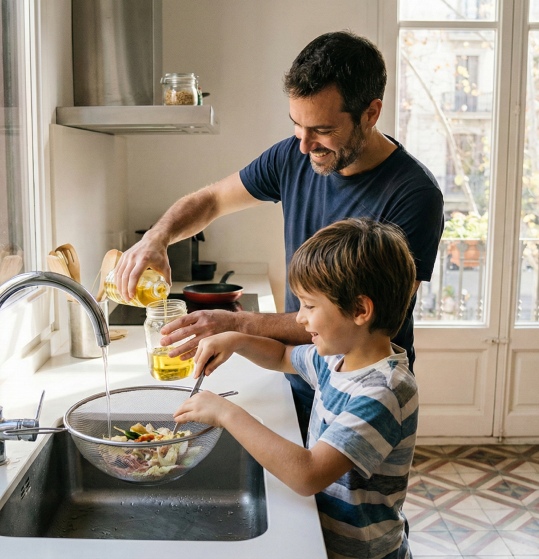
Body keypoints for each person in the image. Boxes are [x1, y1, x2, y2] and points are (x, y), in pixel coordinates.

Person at [114, 30, 443, 438]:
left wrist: (237, 325)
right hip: (302, 370)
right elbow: (214, 199)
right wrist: (158, 238)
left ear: (370, 113)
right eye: (296, 126)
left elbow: (373, 319)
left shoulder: (414, 195)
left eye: (321, 130)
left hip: (361, 392)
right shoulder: (295, 154)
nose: (304, 147)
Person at [175, 218, 418, 559]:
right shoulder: (338, 359)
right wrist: (237, 339)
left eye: (309, 305)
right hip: (324, 538)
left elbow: (308, 474)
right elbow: (282, 356)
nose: (300, 319)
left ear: (360, 310)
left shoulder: (382, 392)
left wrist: (226, 413)